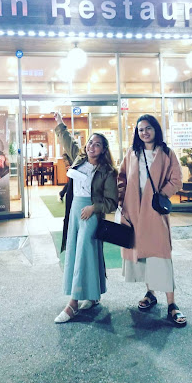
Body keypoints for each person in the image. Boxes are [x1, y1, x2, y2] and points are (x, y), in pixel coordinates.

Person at [118, 114, 187, 327]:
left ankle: (172, 304)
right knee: (142, 254)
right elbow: (121, 177)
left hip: (154, 211)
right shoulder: (132, 152)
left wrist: (161, 196)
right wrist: (121, 199)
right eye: (140, 129)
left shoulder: (166, 153)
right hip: (133, 210)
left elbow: (176, 179)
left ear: (156, 129)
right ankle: (150, 293)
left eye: (148, 128)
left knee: (161, 254)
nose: (144, 132)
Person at [53, 111, 118, 323]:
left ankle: (73, 304)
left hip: (91, 215)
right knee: (75, 253)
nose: (92, 146)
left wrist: (94, 208)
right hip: (74, 212)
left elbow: (112, 202)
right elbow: (67, 140)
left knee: (83, 255)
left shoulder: (107, 171)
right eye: (90, 142)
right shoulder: (79, 158)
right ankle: (91, 295)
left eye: (97, 144)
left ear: (103, 149)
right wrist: (60, 123)